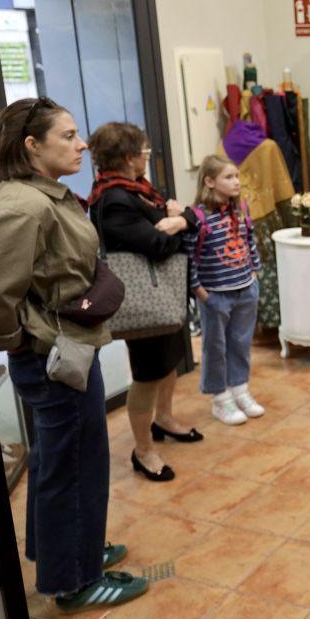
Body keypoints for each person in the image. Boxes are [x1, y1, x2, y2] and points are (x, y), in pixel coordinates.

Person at [0, 97, 147, 611]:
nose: (82, 143)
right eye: (68, 135)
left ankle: (67, 548)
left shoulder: (41, 196)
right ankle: (74, 580)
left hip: (66, 351)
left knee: (62, 457)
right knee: (74, 464)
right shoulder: (22, 206)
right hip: (54, 358)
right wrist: (28, 341)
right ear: (32, 145)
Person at [88, 122, 202, 483]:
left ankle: (164, 420)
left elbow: (172, 226)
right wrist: (181, 220)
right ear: (128, 157)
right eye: (144, 152)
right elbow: (157, 244)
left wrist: (177, 221)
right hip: (144, 302)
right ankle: (143, 451)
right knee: (147, 376)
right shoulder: (112, 201)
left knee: (169, 364)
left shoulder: (137, 190)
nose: (147, 158)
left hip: (163, 295)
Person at [183, 155, 265, 426]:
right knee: (215, 346)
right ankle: (220, 397)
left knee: (241, 343)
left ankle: (240, 389)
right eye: (228, 177)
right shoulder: (198, 216)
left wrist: (254, 272)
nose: (236, 182)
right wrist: (199, 290)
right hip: (215, 294)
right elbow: (190, 256)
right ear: (209, 181)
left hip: (244, 288)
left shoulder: (240, 208)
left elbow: (249, 239)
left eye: (237, 176)